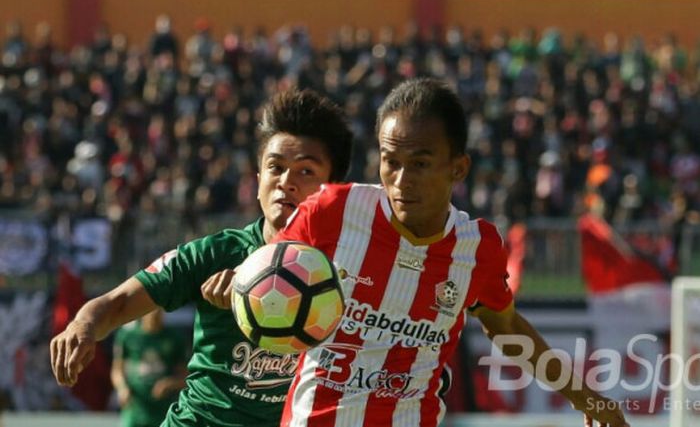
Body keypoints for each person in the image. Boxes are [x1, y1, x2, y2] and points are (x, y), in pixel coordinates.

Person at [204, 78, 629, 427]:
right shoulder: (333, 210)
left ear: (457, 168)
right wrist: (240, 286)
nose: (402, 178)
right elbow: (268, 272)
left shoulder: (477, 247)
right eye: (391, 161)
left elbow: (507, 327)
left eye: (421, 162)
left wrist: (586, 397)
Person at [50, 88, 354, 427]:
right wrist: (83, 326)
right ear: (257, 182)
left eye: (306, 171)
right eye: (276, 167)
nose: (286, 182)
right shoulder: (215, 254)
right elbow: (117, 302)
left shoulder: (353, 269)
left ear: (334, 190)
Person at [111, 308, 187, 427]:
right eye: (151, 310)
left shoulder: (174, 338)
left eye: (159, 310)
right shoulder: (128, 336)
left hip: (163, 408)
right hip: (135, 406)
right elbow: (117, 370)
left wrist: (170, 383)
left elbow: (185, 377)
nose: (155, 314)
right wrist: (122, 388)